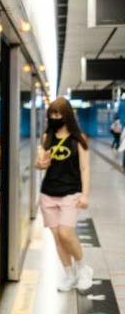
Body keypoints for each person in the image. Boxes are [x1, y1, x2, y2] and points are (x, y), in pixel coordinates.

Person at [34, 97, 93, 292]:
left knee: (67, 234)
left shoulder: (79, 139)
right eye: (52, 114)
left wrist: (84, 195)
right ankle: (69, 274)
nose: (55, 117)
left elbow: (85, 168)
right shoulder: (46, 138)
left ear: (67, 115)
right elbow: (39, 163)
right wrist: (40, 164)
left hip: (71, 192)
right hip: (48, 193)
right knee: (58, 237)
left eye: (58, 113)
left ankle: (83, 269)